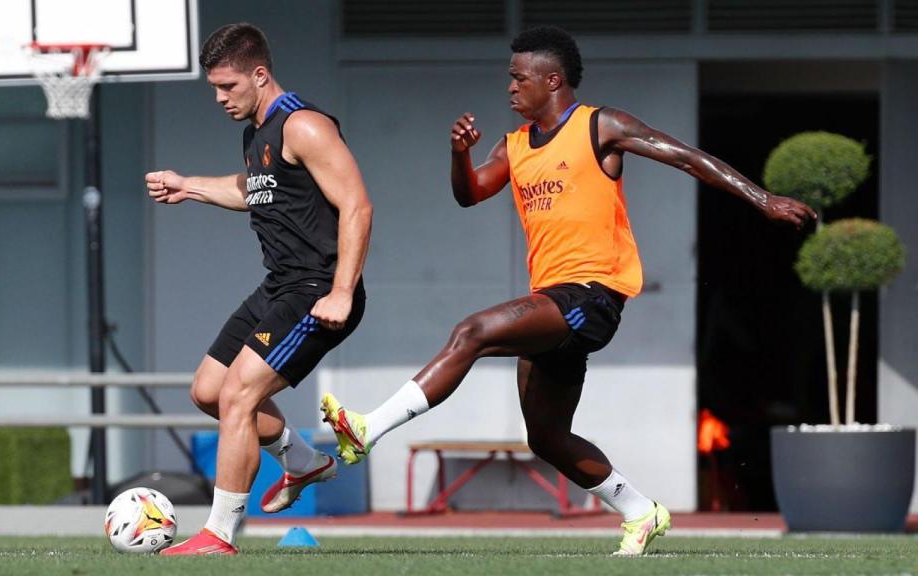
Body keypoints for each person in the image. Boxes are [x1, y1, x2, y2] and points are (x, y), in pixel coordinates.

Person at [320, 25, 815, 556]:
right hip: (553, 301)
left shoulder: (601, 126)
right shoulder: (512, 147)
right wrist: (459, 154)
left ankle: (368, 429)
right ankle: (640, 510)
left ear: (551, 80)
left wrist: (761, 199)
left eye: (518, 78)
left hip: (592, 296)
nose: (509, 88)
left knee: (471, 331)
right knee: (547, 438)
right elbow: (470, 194)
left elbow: (687, 156)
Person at [146, 23, 372, 556]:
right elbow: (256, 189)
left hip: (317, 290)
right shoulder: (256, 132)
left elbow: (357, 204)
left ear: (260, 74)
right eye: (215, 89)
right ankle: (300, 460)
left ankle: (218, 534)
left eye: (228, 87)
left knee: (239, 394)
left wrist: (342, 290)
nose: (220, 98)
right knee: (208, 391)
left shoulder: (305, 126)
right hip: (278, 287)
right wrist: (189, 186)